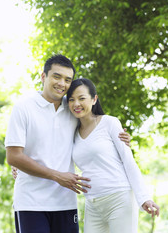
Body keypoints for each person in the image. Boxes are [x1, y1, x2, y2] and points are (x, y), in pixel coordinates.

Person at [5, 54, 130, 233]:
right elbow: (13, 156)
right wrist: (56, 176)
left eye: (67, 80)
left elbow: (98, 128)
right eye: (57, 76)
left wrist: (122, 137)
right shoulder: (23, 107)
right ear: (43, 77)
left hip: (65, 203)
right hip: (31, 203)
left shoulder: (72, 107)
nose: (62, 84)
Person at [67, 78, 160, 233]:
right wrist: (19, 165)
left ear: (94, 99)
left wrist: (144, 198)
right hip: (92, 204)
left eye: (81, 98)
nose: (76, 104)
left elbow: (128, 161)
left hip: (119, 199)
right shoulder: (72, 132)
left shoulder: (109, 123)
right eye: (71, 99)